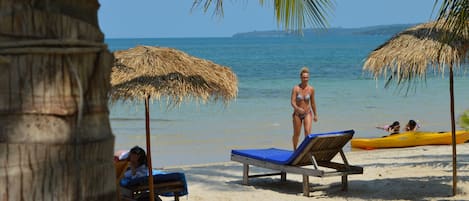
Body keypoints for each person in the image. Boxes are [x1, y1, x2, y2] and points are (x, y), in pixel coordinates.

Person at [291, 67, 318, 150]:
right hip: (297, 114)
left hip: (307, 113)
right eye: (304, 77)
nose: (305, 79)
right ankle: (295, 150)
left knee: (307, 132)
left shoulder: (311, 89)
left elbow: (313, 103)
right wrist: (297, 109)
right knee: (297, 134)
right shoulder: (296, 88)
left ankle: (306, 150)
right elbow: (292, 102)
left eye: (307, 77)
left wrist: (315, 114)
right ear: (301, 77)